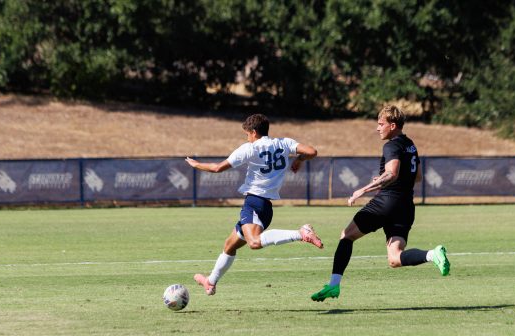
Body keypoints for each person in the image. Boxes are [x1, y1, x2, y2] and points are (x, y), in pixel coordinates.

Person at [311, 105, 450, 302]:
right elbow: (417, 176)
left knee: (346, 236)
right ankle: (432, 255)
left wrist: (364, 189)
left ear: (392, 126)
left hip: (387, 202)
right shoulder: (410, 144)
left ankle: (333, 285)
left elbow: (392, 173)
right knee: (395, 258)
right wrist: (388, 178)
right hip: (405, 206)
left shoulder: (391, 145)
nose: (378, 128)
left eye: (380, 124)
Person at [186, 113, 324, 295]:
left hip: (253, 203)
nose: (247, 138)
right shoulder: (283, 143)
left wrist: (196, 165)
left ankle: (300, 233)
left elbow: (217, 168)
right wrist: (299, 159)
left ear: (253, 132)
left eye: (247, 134)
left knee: (254, 243)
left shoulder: (250, 148)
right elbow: (312, 151)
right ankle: (210, 282)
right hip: (265, 207)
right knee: (229, 246)